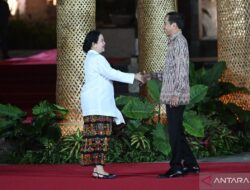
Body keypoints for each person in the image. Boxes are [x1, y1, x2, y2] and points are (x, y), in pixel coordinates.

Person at [80, 30, 145, 179]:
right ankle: (99, 170)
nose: (104, 43)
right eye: (102, 40)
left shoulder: (92, 58)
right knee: (100, 137)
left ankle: (98, 169)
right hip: (98, 105)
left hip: (96, 105)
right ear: (93, 44)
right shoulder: (97, 58)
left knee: (98, 136)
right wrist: (134, 76)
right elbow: (112, 73)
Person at [145, 12, 200, 178]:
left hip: (176, 96)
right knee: (177, 131)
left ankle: (176, 167)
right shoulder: (173, 43)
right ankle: (191, 164)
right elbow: (171, 73)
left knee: (174, 132)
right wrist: (152, 75)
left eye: (165, 23)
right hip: (172, 94)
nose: (164, 27)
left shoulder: (180, 43)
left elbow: (182, 72)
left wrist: (176, 94)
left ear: (174, 26)